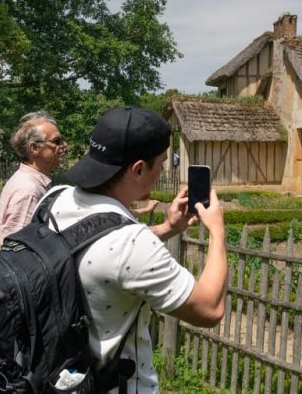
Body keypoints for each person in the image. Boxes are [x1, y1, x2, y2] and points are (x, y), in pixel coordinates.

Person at [39, 106, 228, 393]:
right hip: (114, 384)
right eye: (162, 163)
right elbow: (210, 309)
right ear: (139, 169)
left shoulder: (53, 199)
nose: (164, 169)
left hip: (55, 376)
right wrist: (217, 231)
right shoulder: (133, 243)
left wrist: (167, 229)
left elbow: (94, 245)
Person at [0, 111, 67, 247]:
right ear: (34, 148)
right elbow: (16, 246)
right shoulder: (28, 189)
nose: (64, 145)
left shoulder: (33, 182)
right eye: (57, 141)